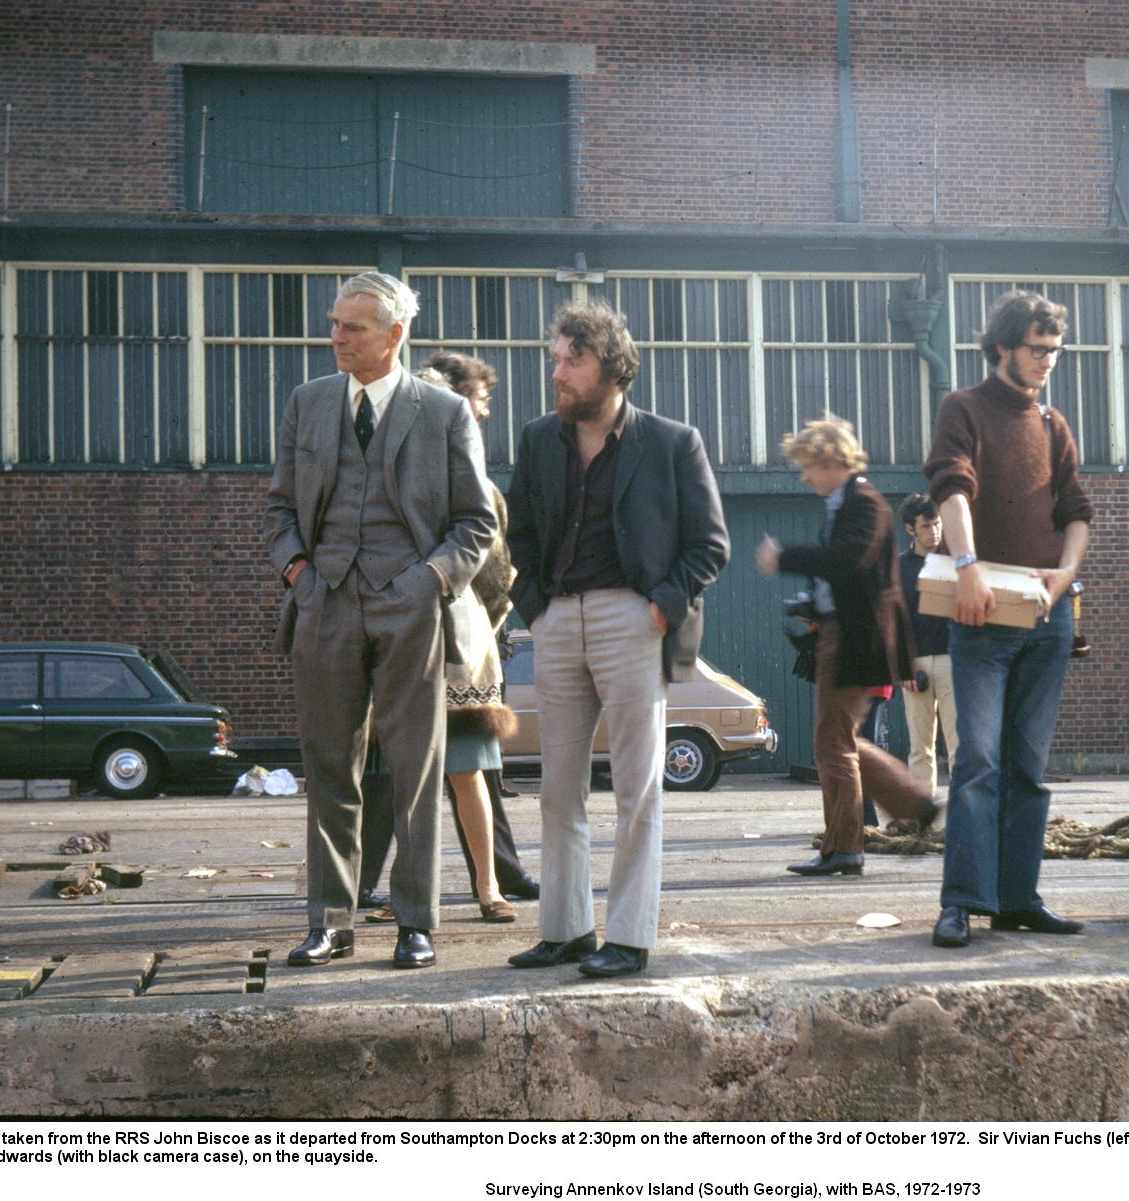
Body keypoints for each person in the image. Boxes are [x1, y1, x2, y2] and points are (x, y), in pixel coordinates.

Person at [264, 272, 496, 969]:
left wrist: (428, 581)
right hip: (324, 602)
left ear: (394, 335)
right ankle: (329, 921)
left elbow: (475, 523)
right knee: (328, 764)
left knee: (416, 767)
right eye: (334, 323)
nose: (335, 336)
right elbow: (278, 509)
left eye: (352, 326)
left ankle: (415, 922)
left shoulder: (443, 412)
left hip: (410, 605)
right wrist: (298, 572)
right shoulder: (306, 404)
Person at [504, 301, 729, 977]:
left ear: (612, 367)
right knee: (556, 788)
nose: (558, 372)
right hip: (556, 621)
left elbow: (709, 544)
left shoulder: (670, 441)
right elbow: (517, 536)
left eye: (573, 359)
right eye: (555, 358)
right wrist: (535, 608)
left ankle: (628, 936)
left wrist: (657, 609)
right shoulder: (539, 438)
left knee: (637, 788)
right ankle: (566, 929)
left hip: (632, 621)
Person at [923, 290, 1093, 947]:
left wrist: (1067, 571)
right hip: (980, 612)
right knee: (978, 761)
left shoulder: (1053, 424)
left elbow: (1076, 508)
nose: (1047, 361)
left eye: (1054, 350)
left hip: (1046, 616)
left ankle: (1018, 898)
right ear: (1001, 347)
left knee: (1027, 765)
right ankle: (961, 901)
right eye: (1035, 349)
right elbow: (951, 487)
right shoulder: (961, 408)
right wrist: (964, 565)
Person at [355, 352, 540, 922]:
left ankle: (489, 887)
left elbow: (496, 572)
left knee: (465, 772)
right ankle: (418, 892)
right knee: (410, 780)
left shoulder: (473, 484)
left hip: (457, 640)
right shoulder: (385, 478)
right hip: (404, 639)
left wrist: (480, 620)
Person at [755, 417, 938, 877]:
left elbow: (847, 563)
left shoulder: (864, 504)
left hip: (855, 641)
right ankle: (909, 805)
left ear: (833, 460)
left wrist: (784, 558)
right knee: (839, 741)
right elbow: (850, 575)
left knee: (833, 744)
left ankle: (846, 847)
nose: (804, 475)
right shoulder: (851, 504)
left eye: (809, 465)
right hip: (847, 636)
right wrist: (813, 603)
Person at [896, 493, 959, 795]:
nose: (934, 532)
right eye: (926, 526)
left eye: (937, 524)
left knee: (961, 745)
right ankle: (921, 818)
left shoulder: (957, 561)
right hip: (915, 663)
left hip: (953, 659)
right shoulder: (898, 568)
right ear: (911, 529)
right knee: (920, 748)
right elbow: (894, 621)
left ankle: (967, 817)